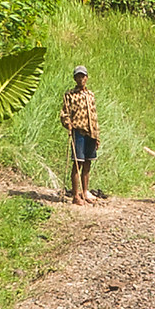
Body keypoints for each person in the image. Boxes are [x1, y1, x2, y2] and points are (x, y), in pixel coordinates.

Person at [59, 65, 99, 206]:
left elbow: (94, 116)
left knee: (88, 163)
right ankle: (75, 195)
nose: (80, 79)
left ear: (86, 78)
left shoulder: (90, 95)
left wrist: (97, 136)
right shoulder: (69, 95)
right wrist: (68, 124)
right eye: (78, 76)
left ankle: (85, 192)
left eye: (83, 76)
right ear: (74, 78)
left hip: (91, 133)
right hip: (78, 131)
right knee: (78, 163)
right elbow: (64, 114)